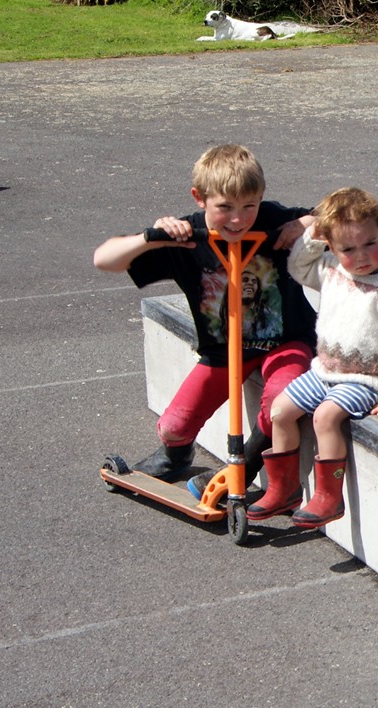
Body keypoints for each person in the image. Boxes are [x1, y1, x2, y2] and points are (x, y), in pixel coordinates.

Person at [93, 144, 316, 486]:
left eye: (249, 206)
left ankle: (247, 465)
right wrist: (151, 239)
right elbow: (104, 260)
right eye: (224, 207)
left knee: (281, 398)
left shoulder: (271, 218)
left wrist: (306, 223)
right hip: (224, 350)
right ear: (199, 197)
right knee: (173, 427)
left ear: (260, 199)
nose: (238, 219)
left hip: (287, 341)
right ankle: (176, 455)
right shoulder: (186, 237)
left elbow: (340, 213)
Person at [248, 186, 378, 529]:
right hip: (324, 372)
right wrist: (313, 233)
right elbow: (298, 266)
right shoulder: (332, 269)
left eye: (370, 243)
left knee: (326, 417)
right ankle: (284, 488)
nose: (362, 256)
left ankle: (329, 496)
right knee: (280, 410)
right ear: (331, 246)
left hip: (365, 379)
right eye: (348, 249)